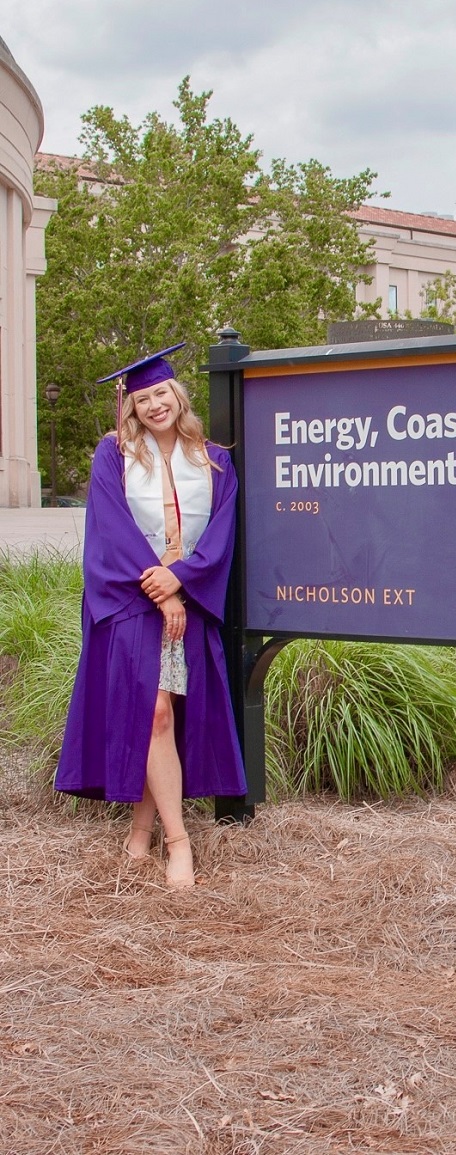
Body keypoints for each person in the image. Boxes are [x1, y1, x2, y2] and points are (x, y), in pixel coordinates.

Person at [55, 343, 247, 889]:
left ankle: (140, 832)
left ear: (177, 395)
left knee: (160, 717)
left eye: (160, 393)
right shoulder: (113, 454)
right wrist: (159, 589)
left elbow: (221, 534)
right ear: (130, 407)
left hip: (189, 598)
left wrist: (182, 581)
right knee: (155, 711)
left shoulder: (214, 459)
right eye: (142, 399)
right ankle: (178, 841)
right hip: (133, 600)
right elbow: (110, 529)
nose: (154, 405)